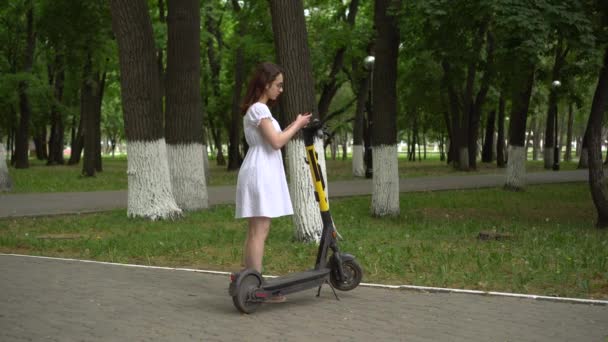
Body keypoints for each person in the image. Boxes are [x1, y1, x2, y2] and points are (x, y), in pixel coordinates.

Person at [235, 62, 312, 302]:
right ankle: (256, 287)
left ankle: (250, 279)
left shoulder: (257, 110)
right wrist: (297, 126)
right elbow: (277, 142)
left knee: (256, 230)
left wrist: (294, 124)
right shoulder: (260, 110)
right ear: (266, 84)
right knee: (260, 230)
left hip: (259, 168)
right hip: (261, 171)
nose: (281, 89)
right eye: (278, 85)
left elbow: (274, 138)